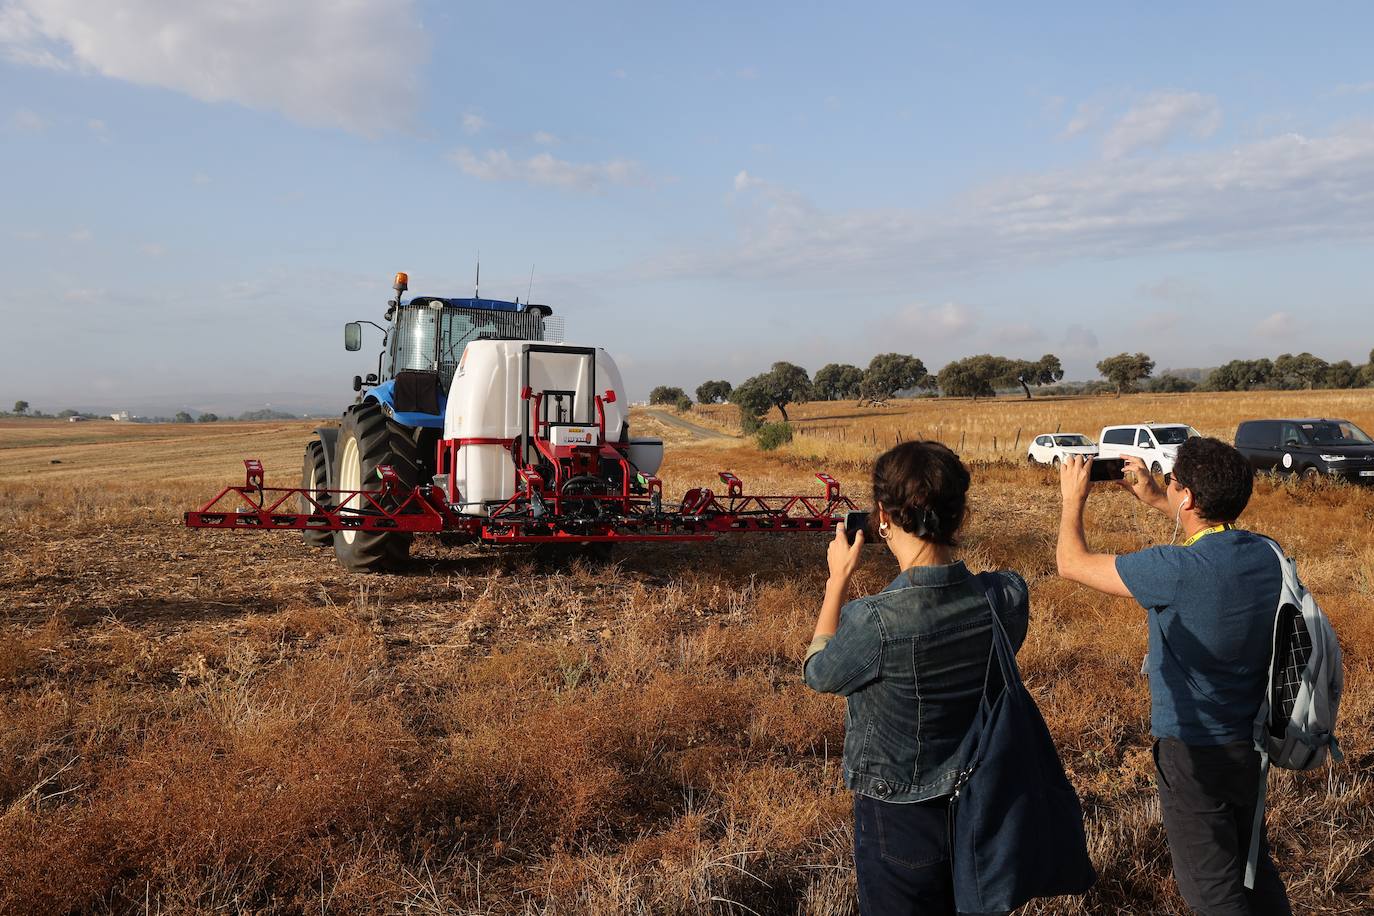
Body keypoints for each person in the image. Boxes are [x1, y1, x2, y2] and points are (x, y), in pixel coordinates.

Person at [1056, 438, 1292, 915]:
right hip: (1250, 744)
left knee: (1213, 890)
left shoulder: (1175, 570)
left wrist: (1071, 500)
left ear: (1186, 496)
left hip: (1192, 753)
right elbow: (1212, 532)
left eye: (1175, 484)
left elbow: (1070, 563)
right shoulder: (1267, 554)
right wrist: (1157, 496)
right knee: (1252, 866)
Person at [804, 441, 1029, 915]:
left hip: (899, 817)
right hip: (983, 805)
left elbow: (819, 672)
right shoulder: (1006, 597)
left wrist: (836, 581)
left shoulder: (874, 622)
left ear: (882, 516)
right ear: (961, 515)